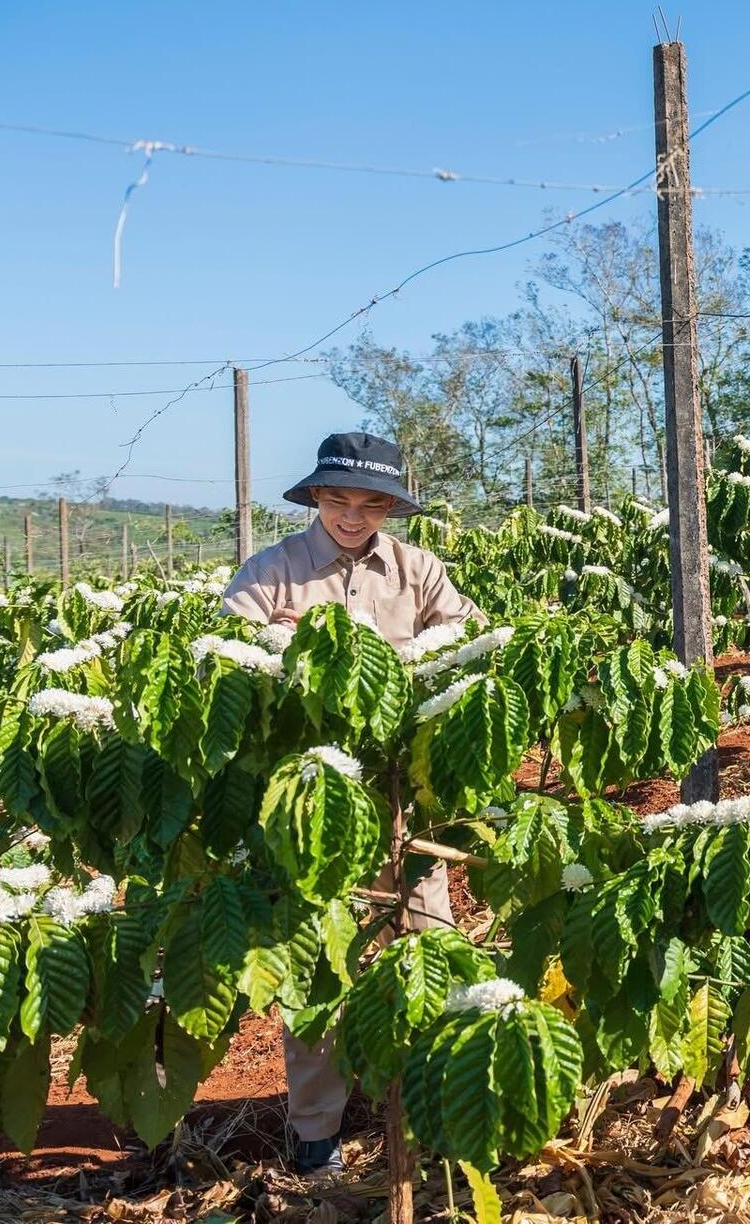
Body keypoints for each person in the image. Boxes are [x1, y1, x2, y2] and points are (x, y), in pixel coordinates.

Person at [222, 432, 480, 1173]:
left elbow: (462, 640)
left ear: (391, 508)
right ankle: (315, 1135)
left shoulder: (418, 570)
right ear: (316, 500)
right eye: (338, 500)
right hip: (309, 811)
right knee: (319, 969)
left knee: (429, 947)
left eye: (371, 504)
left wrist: (402, 659)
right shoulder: (273, 571)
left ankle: (428, 1109)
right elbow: (231, 654)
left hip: (405, 803)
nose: (352, 516)